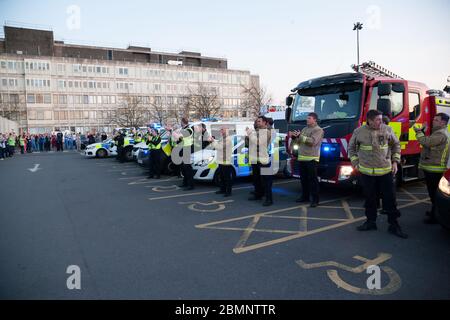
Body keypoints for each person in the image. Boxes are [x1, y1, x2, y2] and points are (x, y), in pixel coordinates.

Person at [348, 109, 408, 239]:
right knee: (370, 199)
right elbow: (351, 148)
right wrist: (355, 163)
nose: (380, 122)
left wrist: (395, 161)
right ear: (369, 120)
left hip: (385, 171)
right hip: (366, 172)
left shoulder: (387, 129)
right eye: (377, 120)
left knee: (390, 199)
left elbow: (396, 145)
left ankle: (394, 225)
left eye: (381, 119)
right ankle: (370, 222)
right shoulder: (359, 132)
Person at [414, 113, 450, 224]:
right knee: (433, 193)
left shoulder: (441, 133)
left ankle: (435, 216)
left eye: (436, 120)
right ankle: (434, 212)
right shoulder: (439, 132)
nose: (433, 121)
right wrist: (423, 132)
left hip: (435, 168)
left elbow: (426, 142)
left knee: (434, 193)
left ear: (443, 122)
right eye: (434, 119)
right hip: (433, 167)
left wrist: (418, 131)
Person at [290, 112, 324, 208]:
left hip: (311, 159)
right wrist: (295, 137)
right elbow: (299, 141)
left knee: (313, 180)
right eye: (307, 118)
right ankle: (305, 196)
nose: (307, 120)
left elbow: (312, 142)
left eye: (309, 118)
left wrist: (300, 136)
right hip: (302, 158)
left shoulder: (318, 130)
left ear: (315, 120)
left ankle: (315, 200)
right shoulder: (305, 129)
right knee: (303, 179)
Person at [247, 116, 275, 206]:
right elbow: (251, 145)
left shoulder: (266, 132)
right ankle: (258, 194)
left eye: (259, 121)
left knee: (267, 181)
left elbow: (259, 142)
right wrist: (248, 137)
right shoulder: (257, 132)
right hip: (255, 160)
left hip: (264, 161)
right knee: (257, 180)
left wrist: (250, 134)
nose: (257, 123)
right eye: (257, 121)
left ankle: (269, 199)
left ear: (265, 123)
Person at [209, 127, 234, 197]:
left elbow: (218, 147)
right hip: (221, 161)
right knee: (222, 177)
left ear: (226, 131)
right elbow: (217, 144)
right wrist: (213, 141)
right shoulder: (223, 138)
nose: (221, 131)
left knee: (227, 178)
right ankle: (222, 189)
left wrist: (212, 141)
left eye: (222, 130)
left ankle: (228, 191)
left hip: (226, 161)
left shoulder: (228, 139)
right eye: (221, 130)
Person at [177, 118, 195, 190]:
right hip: (183, 149)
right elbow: (178, 139)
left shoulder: (189, 129)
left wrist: (178, 134)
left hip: (187, 149)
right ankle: (185, 183)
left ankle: (191, 185)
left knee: (188, 168)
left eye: (181, 122)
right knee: (184, 168)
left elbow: (181, 136)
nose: (180, 123)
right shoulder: (183, 129)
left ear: (183, 122)